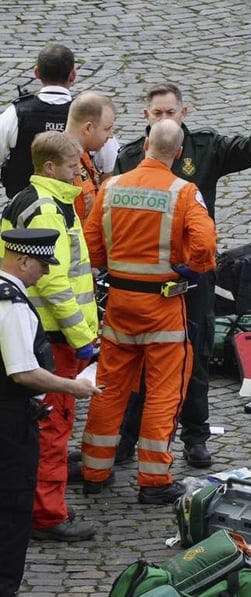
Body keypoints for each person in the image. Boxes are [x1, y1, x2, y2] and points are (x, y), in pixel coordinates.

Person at [113, 82, 251, 468]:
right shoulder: (129, 158)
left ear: (183, 113)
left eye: (170, 112)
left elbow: (243, 151)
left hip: (193, 275)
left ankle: (195, 436)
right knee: (139, 358)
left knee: (197, 351)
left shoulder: (203, 148)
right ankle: (126, 436)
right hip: (149, 275)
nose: (164, 119)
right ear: (145, 117)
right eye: (157, 113)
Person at [79, 119, 217, 505]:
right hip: (162, 307)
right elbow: (205, 243)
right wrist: (195, 265)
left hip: (120, 305)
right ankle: (154, 480)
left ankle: (94, 470)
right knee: (162, 392)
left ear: (143, 146)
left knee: (109, 388)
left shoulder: (111, 187)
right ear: (177, 153)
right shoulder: (184, 192)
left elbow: (91, 246)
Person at [0, 131, 98, 542]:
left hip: (50, 330)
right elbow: (55, 282)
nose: (80, 176)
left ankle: (44, 504)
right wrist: (83, 338)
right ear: (51, 167)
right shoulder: (47, 209)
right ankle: (47, 514)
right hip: (54, 335)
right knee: (53, 425)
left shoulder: (43, 200)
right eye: (74, 168)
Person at [0, 228, 100, 597]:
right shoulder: (11, 305)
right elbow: (23, 371)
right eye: (42, 264)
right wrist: (73, 386)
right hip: (10, 421)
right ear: (23, 260)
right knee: (12, 508)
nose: (45, 272)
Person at [0, 44, 119, 200]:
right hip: (76, 211)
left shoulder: (15, 114)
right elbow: (111, 166)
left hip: (22, 209)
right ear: (73, 75)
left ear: (36, 72)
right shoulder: (88, 115)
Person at [64, 91, 116, 222]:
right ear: (88, 128)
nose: (110, 135)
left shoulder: (82, 157)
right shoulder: (63, 167)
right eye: (107, 129)